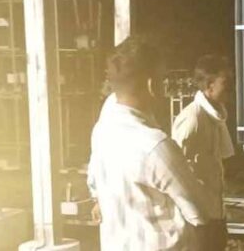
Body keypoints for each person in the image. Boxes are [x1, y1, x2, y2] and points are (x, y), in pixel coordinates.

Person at [87, 35, 217, 251]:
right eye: (162, 78)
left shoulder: (102, 130)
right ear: (151, 84)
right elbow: (200, 213)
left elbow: (94, 184)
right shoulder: (155, 146)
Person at [172, 55, 235, 251]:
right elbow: (174, 169)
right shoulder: (193, 118)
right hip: (197, 220)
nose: (231, 89)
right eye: (226, 82)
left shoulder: (215, 117)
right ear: (210, 86)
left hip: (216, 215)